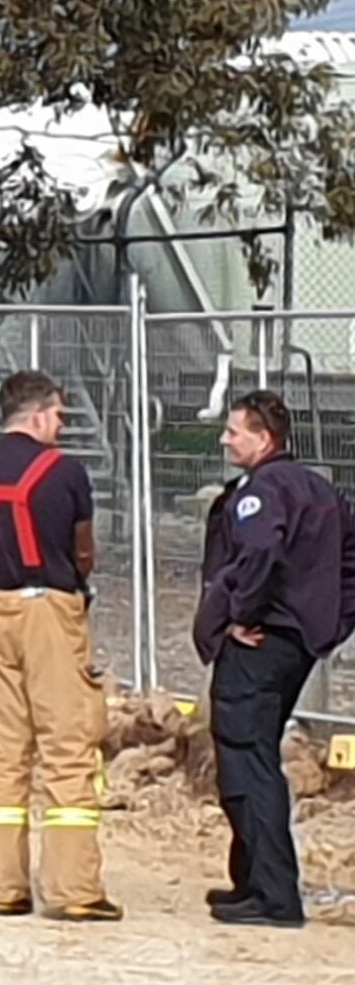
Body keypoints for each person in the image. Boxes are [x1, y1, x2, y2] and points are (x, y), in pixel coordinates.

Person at [0, 371, 120, 922]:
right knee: (67, 741)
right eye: (60, 417)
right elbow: (82, 548)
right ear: (39, 415)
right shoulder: (64, 472)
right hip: (50, 609)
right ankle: (72, 890)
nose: (61, 427)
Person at [195, 389, 355, 929]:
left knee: (246, 756)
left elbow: (260, 552)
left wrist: (240, 612)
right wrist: (329, 625)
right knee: (252, 752)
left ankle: (272, 896)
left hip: (261, 642)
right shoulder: (317, 488)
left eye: (234, 430)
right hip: (295, 641)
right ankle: (251, 882)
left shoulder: (262, 492)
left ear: (263, 439)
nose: (224, 438)